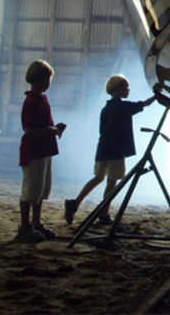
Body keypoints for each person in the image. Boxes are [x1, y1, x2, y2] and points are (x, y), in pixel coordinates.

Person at [64, 75, 160, 224]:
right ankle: (104, 213)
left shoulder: (106, 108)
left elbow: (102, 130)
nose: (128, 90)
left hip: (102, 148)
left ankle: (75, 203)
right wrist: (158, 95)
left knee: (98, 177)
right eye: (126, 87)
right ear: (119, 89)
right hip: (116, 149)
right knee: (112, 182)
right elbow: (144, 104)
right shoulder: (123, 107)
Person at [17, 60, 65, 242]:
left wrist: (53, 129)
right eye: (47, 79)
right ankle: (25, 226)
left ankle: (35, 223)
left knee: (40, 190)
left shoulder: (41, 99)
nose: (48, 83)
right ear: (41, 80)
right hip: (34, 151)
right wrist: (52, 130)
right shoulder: (31, 101)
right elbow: (29, 129)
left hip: (44, 150)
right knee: (31, 190)